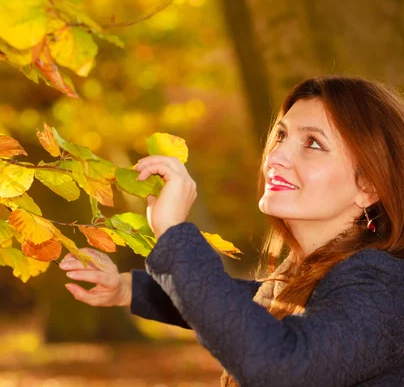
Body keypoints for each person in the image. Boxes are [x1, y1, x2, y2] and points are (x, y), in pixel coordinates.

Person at [59, 76, 404, 386]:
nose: (276, 155)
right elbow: (250, 304)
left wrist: (175, 234)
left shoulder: (383, 286)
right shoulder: (312, 273)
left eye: (313, 143)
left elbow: (279, 364)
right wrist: (127, 288)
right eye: (281, 135)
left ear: (370, 186)